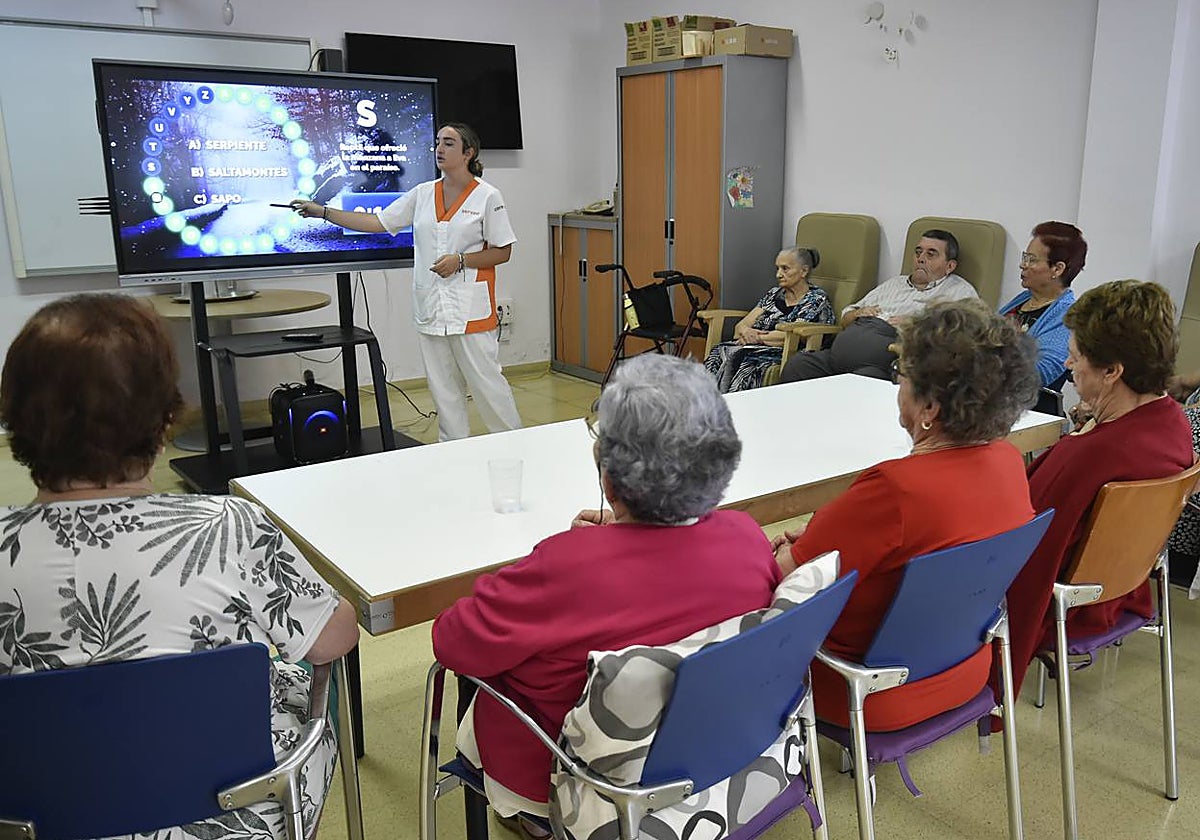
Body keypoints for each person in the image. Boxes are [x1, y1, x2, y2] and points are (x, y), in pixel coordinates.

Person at [0, 294, 360, 840]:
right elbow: (333, 640)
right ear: (166, 418)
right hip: (228, 814)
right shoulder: (230, 528)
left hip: (34, 821)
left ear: (14, 421)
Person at [431, 354, 782, 821]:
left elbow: (452, 642)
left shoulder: (563, 567)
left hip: (572, 779)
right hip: (717, 758)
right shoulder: (747, 537)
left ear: (609, 480)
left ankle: (532, 823)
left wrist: (584, 556)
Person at [773, 300, 1039, 730]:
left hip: (862, 687)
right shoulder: (1009, 463)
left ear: (930, 407)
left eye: (904, 376)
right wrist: (826, 534)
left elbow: (785, 579)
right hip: (966, 671)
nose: (899, 385)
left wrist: (783, 549)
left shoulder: (896, 488)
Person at [1005, 280, 1194, 700]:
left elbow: (1021, 536)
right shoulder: (1174, 424)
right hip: (1120, 586)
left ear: (1113, 372)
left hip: (1066, 605)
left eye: (1077, 356)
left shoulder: (1093, 455)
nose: (1070, 365)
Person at [293, 122, 521, 442]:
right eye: (439, 142)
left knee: (488, 385)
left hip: (470, 309)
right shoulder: (423, 193)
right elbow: (378, 222)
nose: (440, 149)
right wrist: (324, 212)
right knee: (443, 390)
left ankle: (515, 444)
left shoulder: (487, 196)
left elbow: (503, 251)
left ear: (469, 153)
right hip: (431, 307)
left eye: (450, 143)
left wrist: (462, 261)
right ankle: (452, 451)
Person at [779, 230, 978, 383]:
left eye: (931, 254)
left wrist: (919, 325)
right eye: (918, 252)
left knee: (859, 383)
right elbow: (846, 316)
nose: (921, 258)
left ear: (950, 266)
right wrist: (858, 313)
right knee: (798, 365)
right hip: (838, 353)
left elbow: (964, 335)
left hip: (883, 364)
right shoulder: (894, 283)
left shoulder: (959, 292)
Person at [702, 247, 834, 392]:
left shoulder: (815, 299)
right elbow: (743, 324)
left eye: (785, 269)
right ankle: (705, 405)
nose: (779, 274)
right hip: (753, 345)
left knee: (746, 363)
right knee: (719, 352)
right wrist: (746, 331)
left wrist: (757, 338)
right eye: (777, 268)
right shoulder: (774, 294)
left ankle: (736, 408)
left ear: (803, 271)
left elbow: (795, 335)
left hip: (783, 351)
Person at [998, 221, 1086, 387]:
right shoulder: (1023, 299)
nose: (1022, 265)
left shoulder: (1068, 315)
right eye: (1025, 257)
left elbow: (1041, 373)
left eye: (1031, 260)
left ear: (1057, 269)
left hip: (1029, 406)